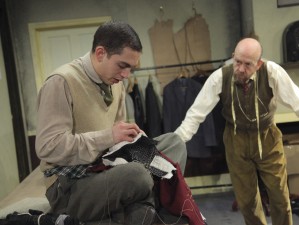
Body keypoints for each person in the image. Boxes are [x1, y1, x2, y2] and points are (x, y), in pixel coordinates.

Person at [35, 21, 187, 225]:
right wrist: (109, 137)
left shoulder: (116, 84)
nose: (126, 75)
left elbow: (116, 138)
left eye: (131, 68)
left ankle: (144, 208)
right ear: (100, 53)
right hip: (70, 185)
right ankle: (150, 209)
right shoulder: (61, 82)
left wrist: (132, 140)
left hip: (106, 165)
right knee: (137, 175)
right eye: (122, 66)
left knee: (174, 143)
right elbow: (48, 147)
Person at [175, 37, 299, 225]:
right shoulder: (220, 76)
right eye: (238, 61)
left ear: (259, 64)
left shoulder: (272, 72)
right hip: (236, 141)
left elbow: (297, 101)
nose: (241, 68)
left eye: (247, 64)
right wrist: (177, 141)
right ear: (233, 56)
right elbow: (196, 113)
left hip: (267, 138)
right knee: (247, 201)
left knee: (280, 197)